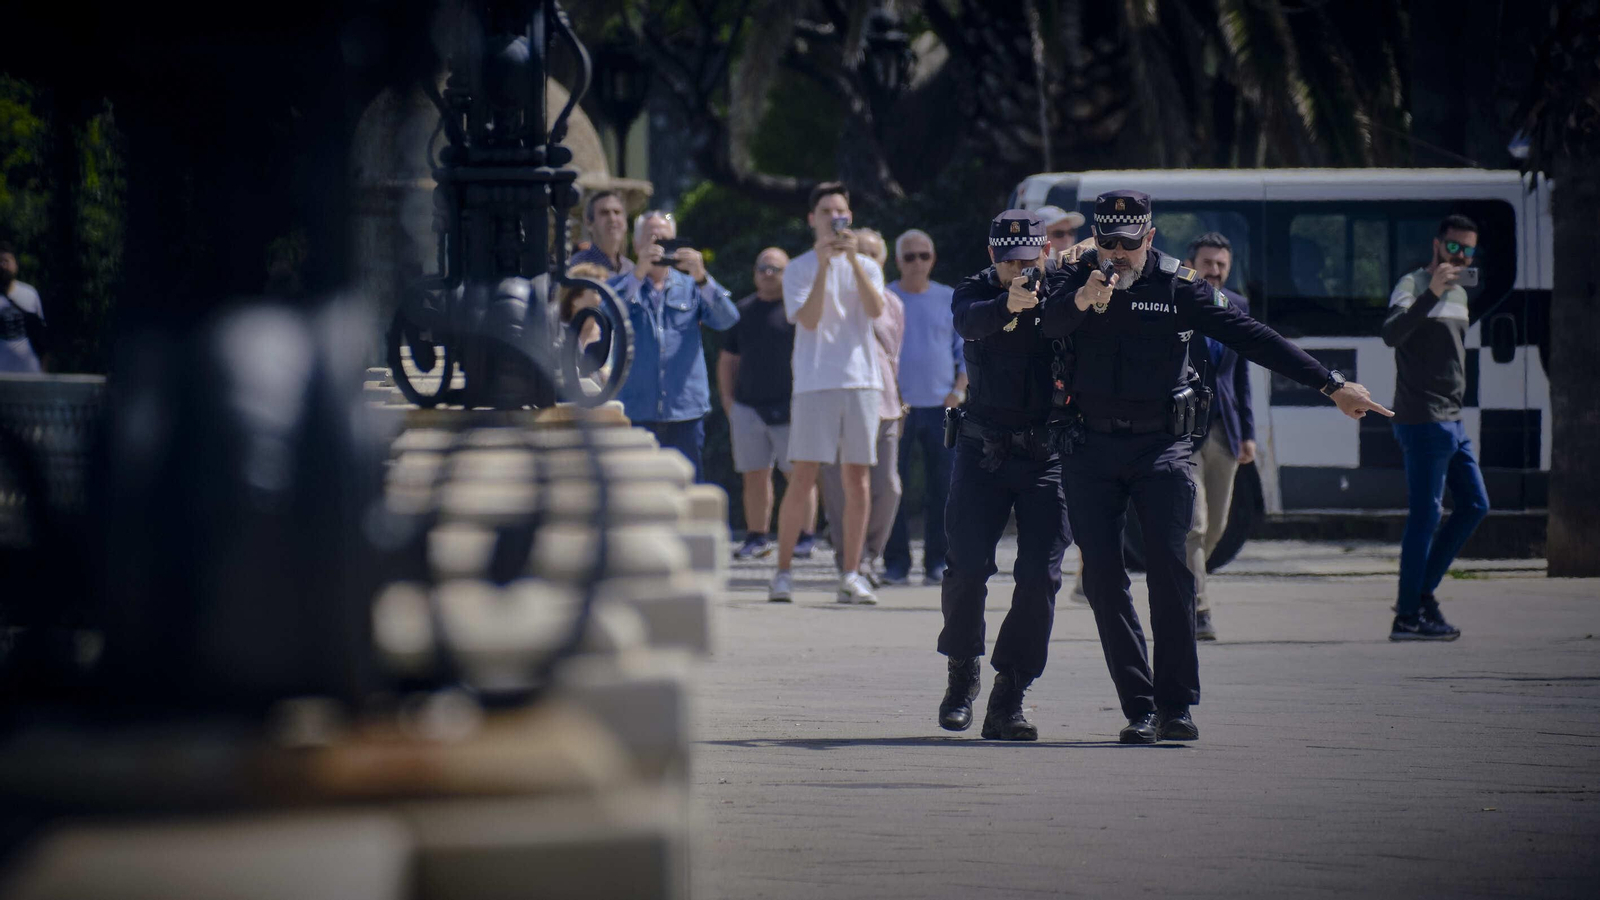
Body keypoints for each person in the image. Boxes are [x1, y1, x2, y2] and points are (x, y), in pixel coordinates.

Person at [1047, 190, 1393, 744]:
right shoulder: (1073, 280)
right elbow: (1042, 327)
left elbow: (1253, 337)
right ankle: (1138, 708)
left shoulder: (1180, 286)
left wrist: (1332, 385)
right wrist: (1080, 300)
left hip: (1161, 447)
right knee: (1105, 582)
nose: (1116, 255)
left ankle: (1175, 707)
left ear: (1150, 239)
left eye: (1127, 245)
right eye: (1106, 243)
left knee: (1171, 572)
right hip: (1089, 447)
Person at [937, 210, 1078, 742]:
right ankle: (962, 672)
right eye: (1007, 260)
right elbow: (969, 322)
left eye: (1028, 259)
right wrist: (1006, 304)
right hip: (983, 452)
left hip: (1046, 456)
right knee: (968, 567)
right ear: (991, 256)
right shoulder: (974, 291)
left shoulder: (1061, 289)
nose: (1018, 269)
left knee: (1039, 577)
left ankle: (1010, 694)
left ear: (1042, 253)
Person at [769, 182, 885, 606]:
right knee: (803, 477)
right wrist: (822, 266)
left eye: (841, 211)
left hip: (861, 381)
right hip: (815, 381)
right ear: (812, 219)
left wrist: (853, 260)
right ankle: (782, 573)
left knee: (858, 479)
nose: (835, 218)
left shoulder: (868, 266)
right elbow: (811, 320)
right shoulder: (799, 267)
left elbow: (876, 312)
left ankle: (851, 574)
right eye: (826, 212)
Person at [1380, 214, 1489, 642]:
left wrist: (1445, 291)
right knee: (1424, 517)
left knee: (1475, 505)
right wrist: (1431, 293)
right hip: (1422, 417)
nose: (1460, 257)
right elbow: (1391, 334)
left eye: (1468, 251)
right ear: (1437, 245)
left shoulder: (1461, 293)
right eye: (1454, 247)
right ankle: (1407, 617)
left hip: (1453, 419)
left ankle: (1421, 594)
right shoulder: (1413, 285)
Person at [610, 210, 739, 481]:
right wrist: (637, 274)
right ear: (635, 245)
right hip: (635, 411)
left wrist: (702, 277)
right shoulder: (621, 286)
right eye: (651, 238)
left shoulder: (692, 286)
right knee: (637, 490)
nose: (659, 245)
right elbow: (606, 317)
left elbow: (727, 319)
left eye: (665, 239)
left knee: (687, 489)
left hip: (684, 412)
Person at [719, 248, 819, 559]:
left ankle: (805, 536)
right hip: (748, 407)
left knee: (799, 475)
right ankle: (757, 537)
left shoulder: (798, 310)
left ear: (788, 273)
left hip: (792, 406)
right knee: (754, 474)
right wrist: (728, 402)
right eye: (762, 267)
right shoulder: (741, 311)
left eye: (775, 268)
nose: (767, 273)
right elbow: (727, 361)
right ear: (754, 272)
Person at [1181, 232, 1255, 642]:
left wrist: (1248, 433)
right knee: (1195, 523)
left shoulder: (1238, 307)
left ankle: (1185, 582)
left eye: (1221, 264)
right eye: (1208, 263)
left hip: (1225, 431)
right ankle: (1199, 608)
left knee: (1218, 528)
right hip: (1184, 430)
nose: (1214, 271)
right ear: (1192, 264)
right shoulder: (1179, 302)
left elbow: (1241, 377)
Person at [819, 228, 904, 583]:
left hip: (884, 403)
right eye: (860, 252)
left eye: (872, 255)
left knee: (889, 486)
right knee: (839, 488)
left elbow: (895, 356)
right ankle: (848, 558)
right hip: (842, 398)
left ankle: (869, 552)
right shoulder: (834, 297)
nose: (866, 259)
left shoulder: (893, 303)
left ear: (882, 261)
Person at [881, 229, 963, 586]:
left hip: (942, 406)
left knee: (944, 487)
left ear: (933, 259)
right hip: (894, 408)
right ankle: (895, 562)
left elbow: (966, 353)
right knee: (890, 487)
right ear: (898, 261)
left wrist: (958, 393)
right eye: (910, 256)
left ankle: (936, 562)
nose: (917, 263)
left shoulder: (949, 297)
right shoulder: (883, 297)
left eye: (924, 256)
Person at [0, 242, 45, 374]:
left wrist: (43, 370)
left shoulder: (30, 294)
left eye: (6, 261)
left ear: (15, 265)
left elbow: (41, 337)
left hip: (29, 372)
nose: (2, 266)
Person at [570, 190, 633, 274]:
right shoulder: (577, 266)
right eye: (604, 213)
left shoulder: (630, 268)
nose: (612, 218)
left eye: (617, 212)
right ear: (589, 223)